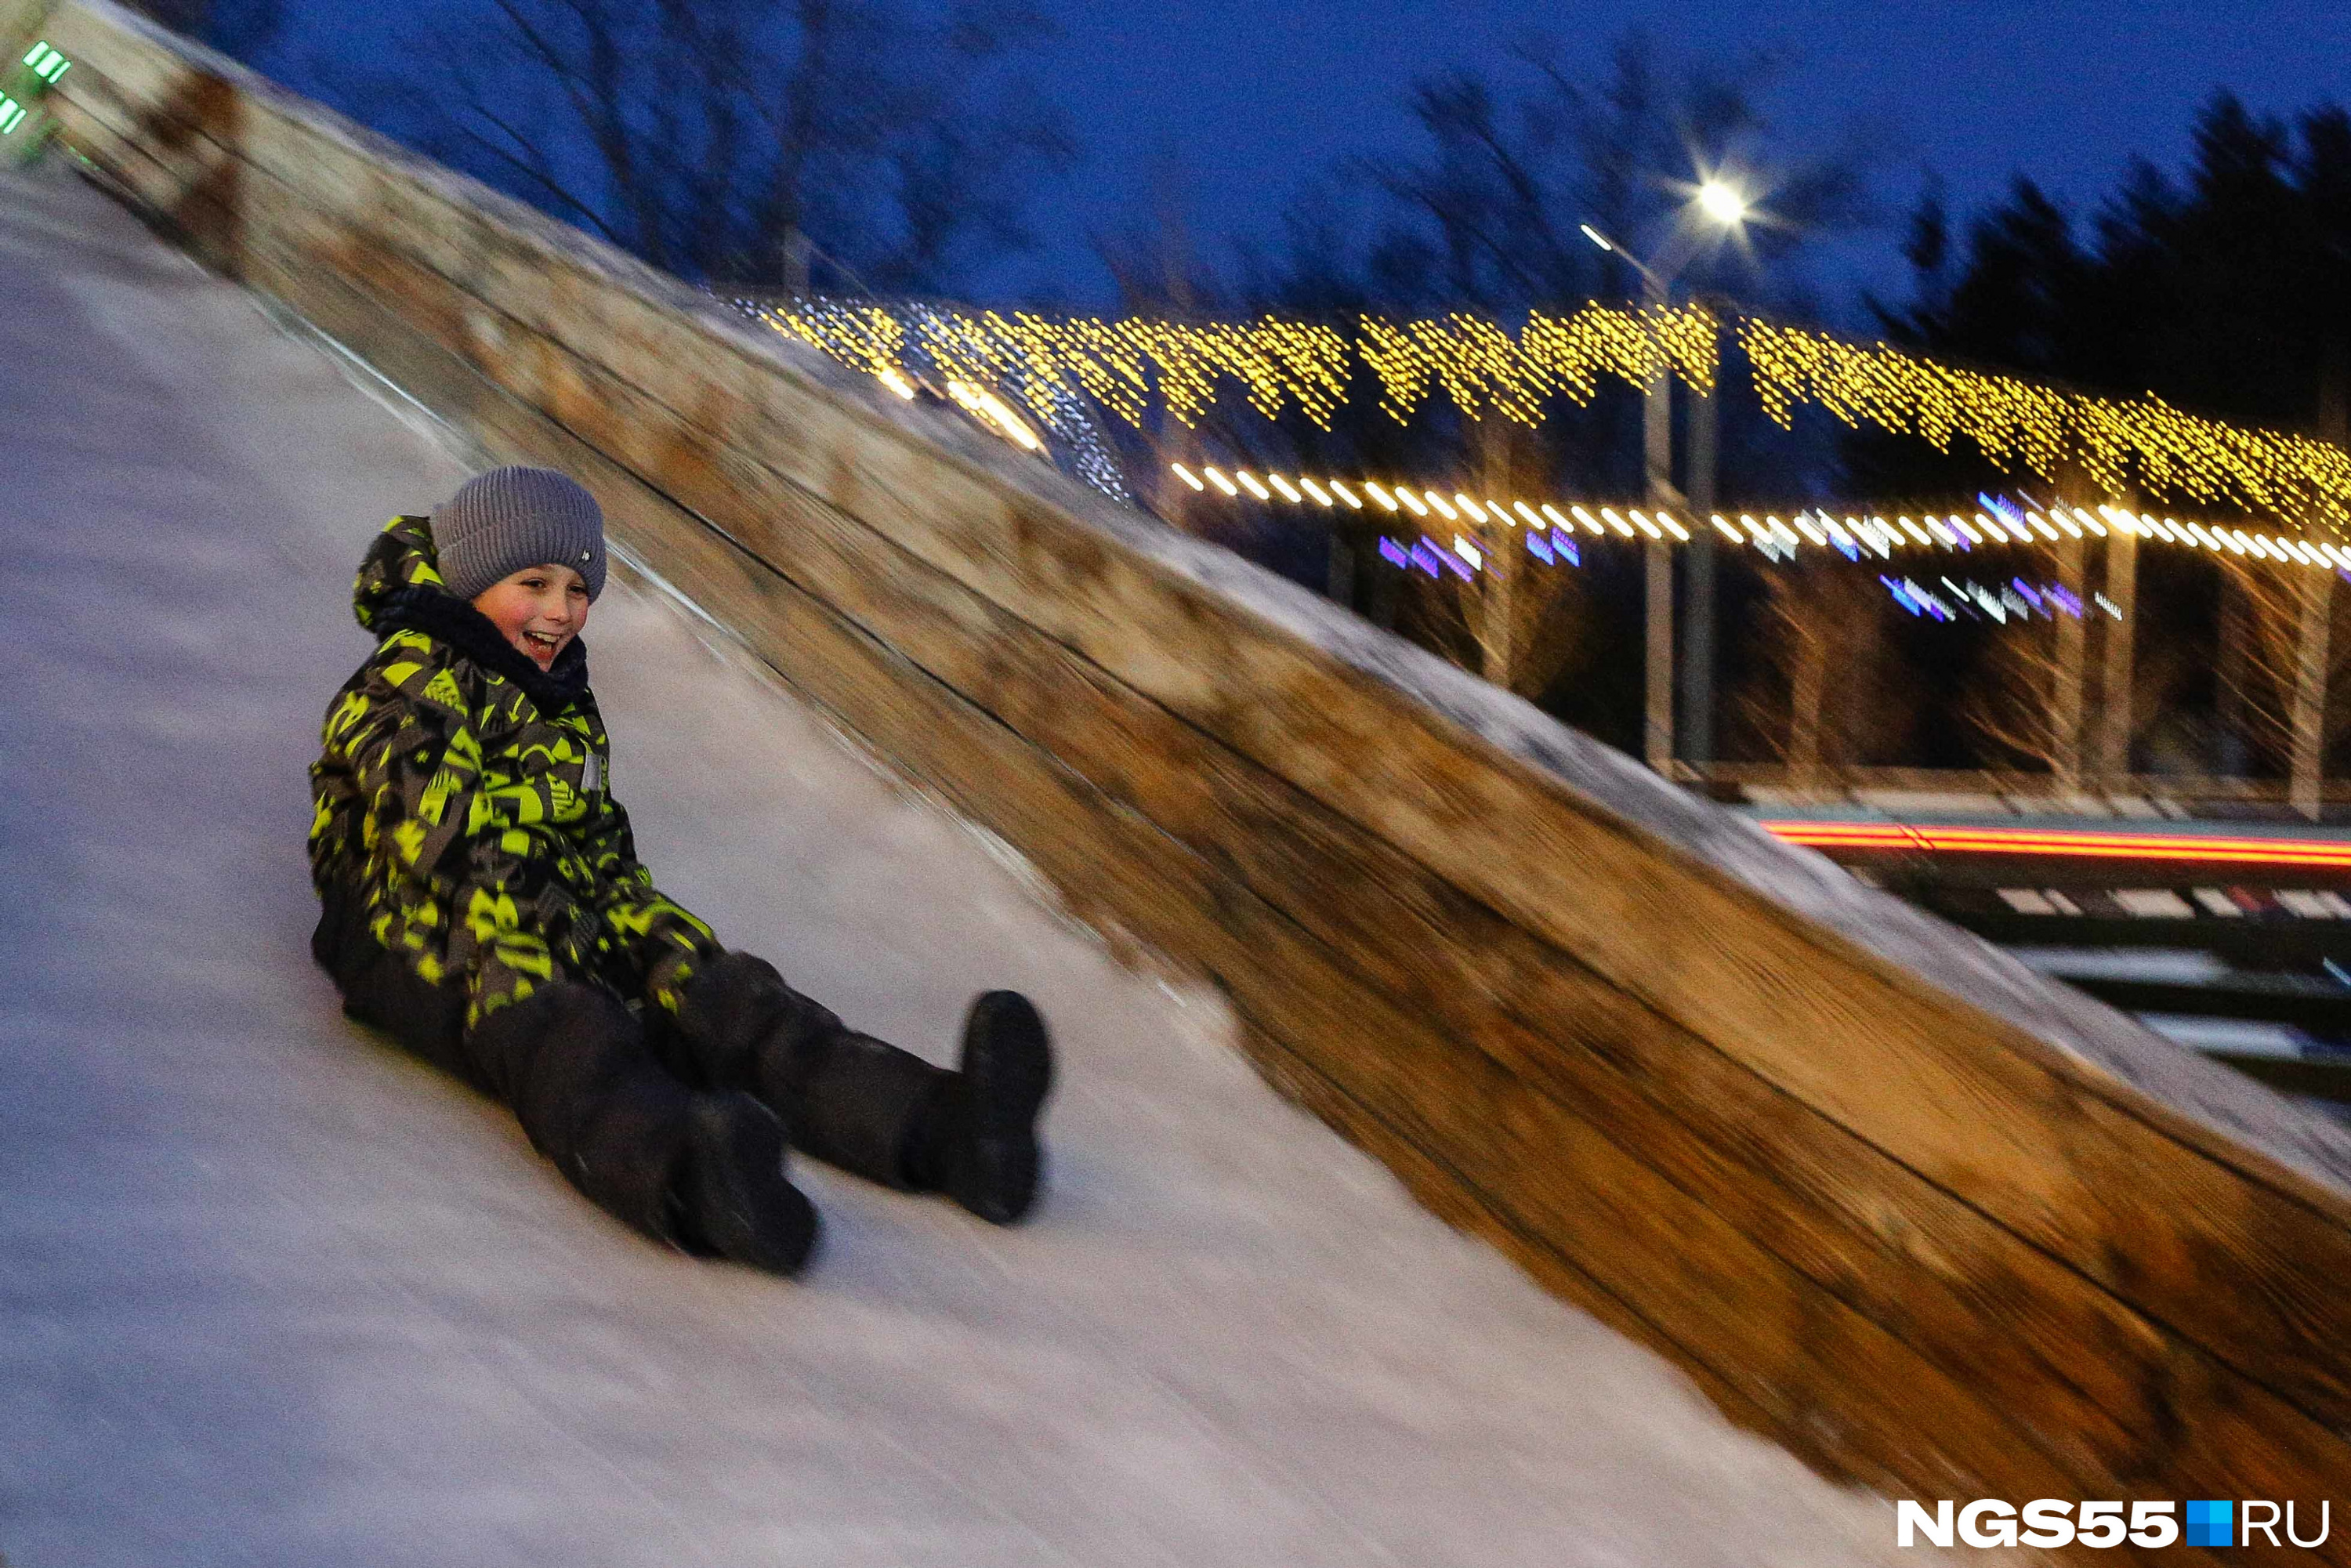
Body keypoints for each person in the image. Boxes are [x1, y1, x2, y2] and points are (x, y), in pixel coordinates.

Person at [307, 465, 1053, 1276]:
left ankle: (949, 1131)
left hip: (550, 896)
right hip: (405, 921)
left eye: (577, 587)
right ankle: (700, 1185)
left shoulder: (547, 685)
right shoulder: (406, 685)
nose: (561, 609)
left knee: (717, 988)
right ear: (472, 579)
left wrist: (638, 927)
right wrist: (581, 938)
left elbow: (588, 827)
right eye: (534, 582)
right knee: (561, 1017)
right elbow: (441, 847)